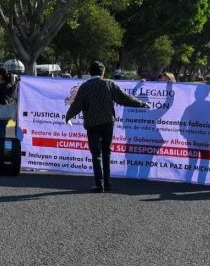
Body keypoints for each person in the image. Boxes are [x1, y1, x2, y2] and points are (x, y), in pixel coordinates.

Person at [64, 61, 149, 192]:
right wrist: (141, 104)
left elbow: (77, 105)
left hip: (92, 124)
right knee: (107, 152)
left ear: (89, 73)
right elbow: (124, 98)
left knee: (96, 154)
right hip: (108, 122)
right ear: (102, 72)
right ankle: (108, 183)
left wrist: (68, 116)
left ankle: (99, 184)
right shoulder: (109, 84)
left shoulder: (85, 87)